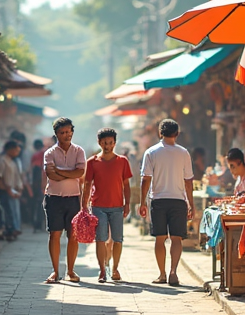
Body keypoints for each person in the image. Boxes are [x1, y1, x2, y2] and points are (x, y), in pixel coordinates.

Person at [140, 119, 195, 286]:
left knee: (160, 239)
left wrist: (142, 202)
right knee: (177, 239)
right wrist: (191, 203)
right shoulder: (184, 152)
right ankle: (173, 272)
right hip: (178, 200)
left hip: (158, 200)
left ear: (160, 133)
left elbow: (146, 179)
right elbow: (188, 181)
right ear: (177, 134)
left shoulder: (151, 152)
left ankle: (162, 274)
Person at [81, 128, 132, 283]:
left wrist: (127, 203)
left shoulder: (122, 161)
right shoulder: (92, 162)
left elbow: (126, 185)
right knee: (100, 239)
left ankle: (115, 268)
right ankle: (102, 270)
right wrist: (84, 205)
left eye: (110, 143)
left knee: (118, 239)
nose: (107, 146)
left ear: (114, 143)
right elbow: (87, 185)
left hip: (117, 206)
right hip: (98, 206)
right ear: (99, 142)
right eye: (104, 142)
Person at [43, 117, 86, 284]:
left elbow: (79, 173)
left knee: (73, 236)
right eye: (62, 132)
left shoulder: (79, 151)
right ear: (56, 134)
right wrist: (70, 172)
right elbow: (50, 175)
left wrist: (60, 171)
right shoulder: (50, 153)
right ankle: (55, 271)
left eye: (68, 132)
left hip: (74, 198)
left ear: (72, 132)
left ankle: (70, 270)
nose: (66, 135)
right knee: (54, 234)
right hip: (54, 198)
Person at [0, 140, 24, 241]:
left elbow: (18, 176)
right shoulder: (2, 160)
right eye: (16, 150)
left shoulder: (14, 160)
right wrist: (7, 189)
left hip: (14, 190)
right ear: (10, 150)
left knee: (15, 210)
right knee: (8, 211)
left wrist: (19, 189)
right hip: (5, 190)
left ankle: (14, 229)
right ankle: (10, 230)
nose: (18, 152)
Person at [28, 138, 47, 233]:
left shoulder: (35, 155)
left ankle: (37, 224)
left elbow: (32, 170)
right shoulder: (47, 153)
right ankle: (43, 223)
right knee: (43, 204)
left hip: (37, 182)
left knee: (37, 204)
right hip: (45, 182)